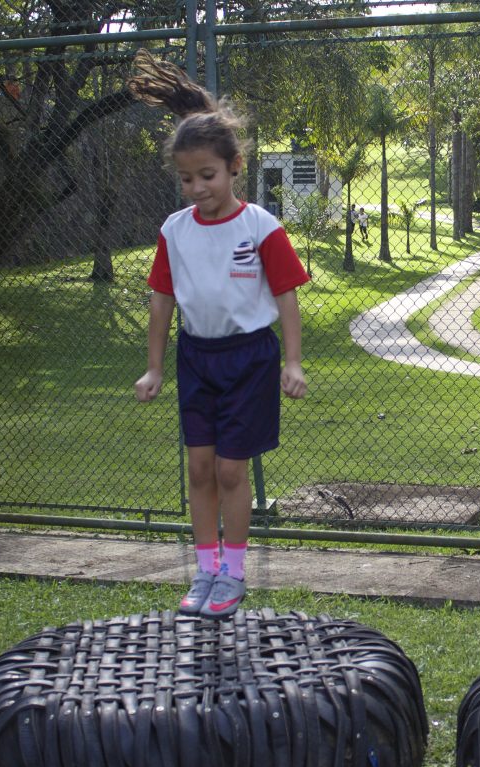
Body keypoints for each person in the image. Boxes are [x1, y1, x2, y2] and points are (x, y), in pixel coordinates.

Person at [128, 50, 309, 619]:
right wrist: (155, 366)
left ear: (234, 167)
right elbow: (162, 300)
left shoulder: (261, 227)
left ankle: (233, 573)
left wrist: (293, 362)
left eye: (206, 175)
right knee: (199, 468)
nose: (196, 188)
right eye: (186, 178)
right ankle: (204, 571)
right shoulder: (174, 231)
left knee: (232, 470)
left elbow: (286, 297)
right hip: (196, 357)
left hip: (251, 357)